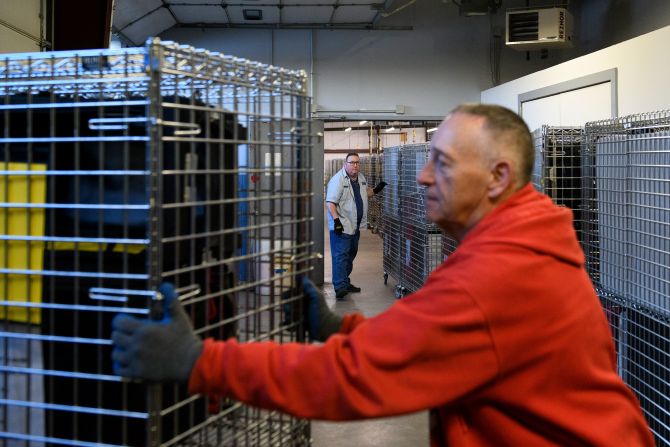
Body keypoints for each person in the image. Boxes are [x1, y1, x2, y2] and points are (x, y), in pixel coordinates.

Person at [111, 104, 654, 446]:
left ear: (498, 176)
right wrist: (337, 329)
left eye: (440, 162)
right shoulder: (524, 243)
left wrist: (200, 361)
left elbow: (354, 379)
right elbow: (429, 345)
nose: (420, 177)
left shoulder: (498, 276)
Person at [325, 153, 386, 299]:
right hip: (342, 226)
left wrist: (376, 190)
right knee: (340, 256)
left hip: (355, 226)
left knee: (350, 255)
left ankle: (344, 282)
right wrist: (337, 221)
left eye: (357, 162)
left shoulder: (361, 178)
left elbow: (364, 194)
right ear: (345, 164)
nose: (355, 165)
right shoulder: (338, 180)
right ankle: (339, 287)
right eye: (352, 162)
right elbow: (330, 203)